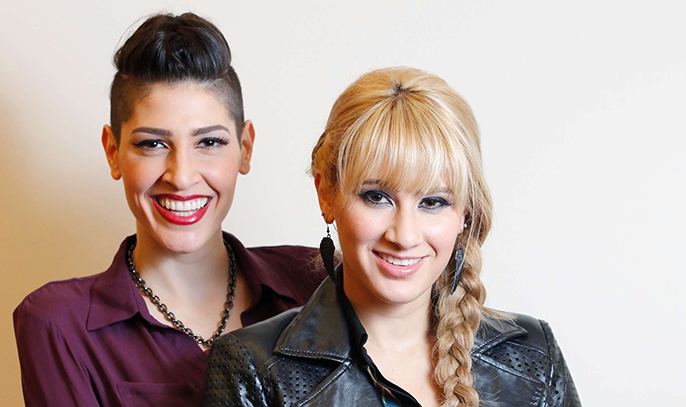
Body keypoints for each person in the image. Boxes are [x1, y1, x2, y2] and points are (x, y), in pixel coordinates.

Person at [203, 67, 581, 407]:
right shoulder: (253, 367)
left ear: (465, 213)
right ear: (326, 194)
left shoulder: (534, 357)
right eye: (376, 197)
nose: (404, 235)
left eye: (433, 202)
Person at [13, 13, 326, 407]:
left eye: (209, 142)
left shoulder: (318, 283)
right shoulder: (58, 324)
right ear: (113, 152)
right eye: (152, 144)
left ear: (245, 148)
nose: (181, 176)